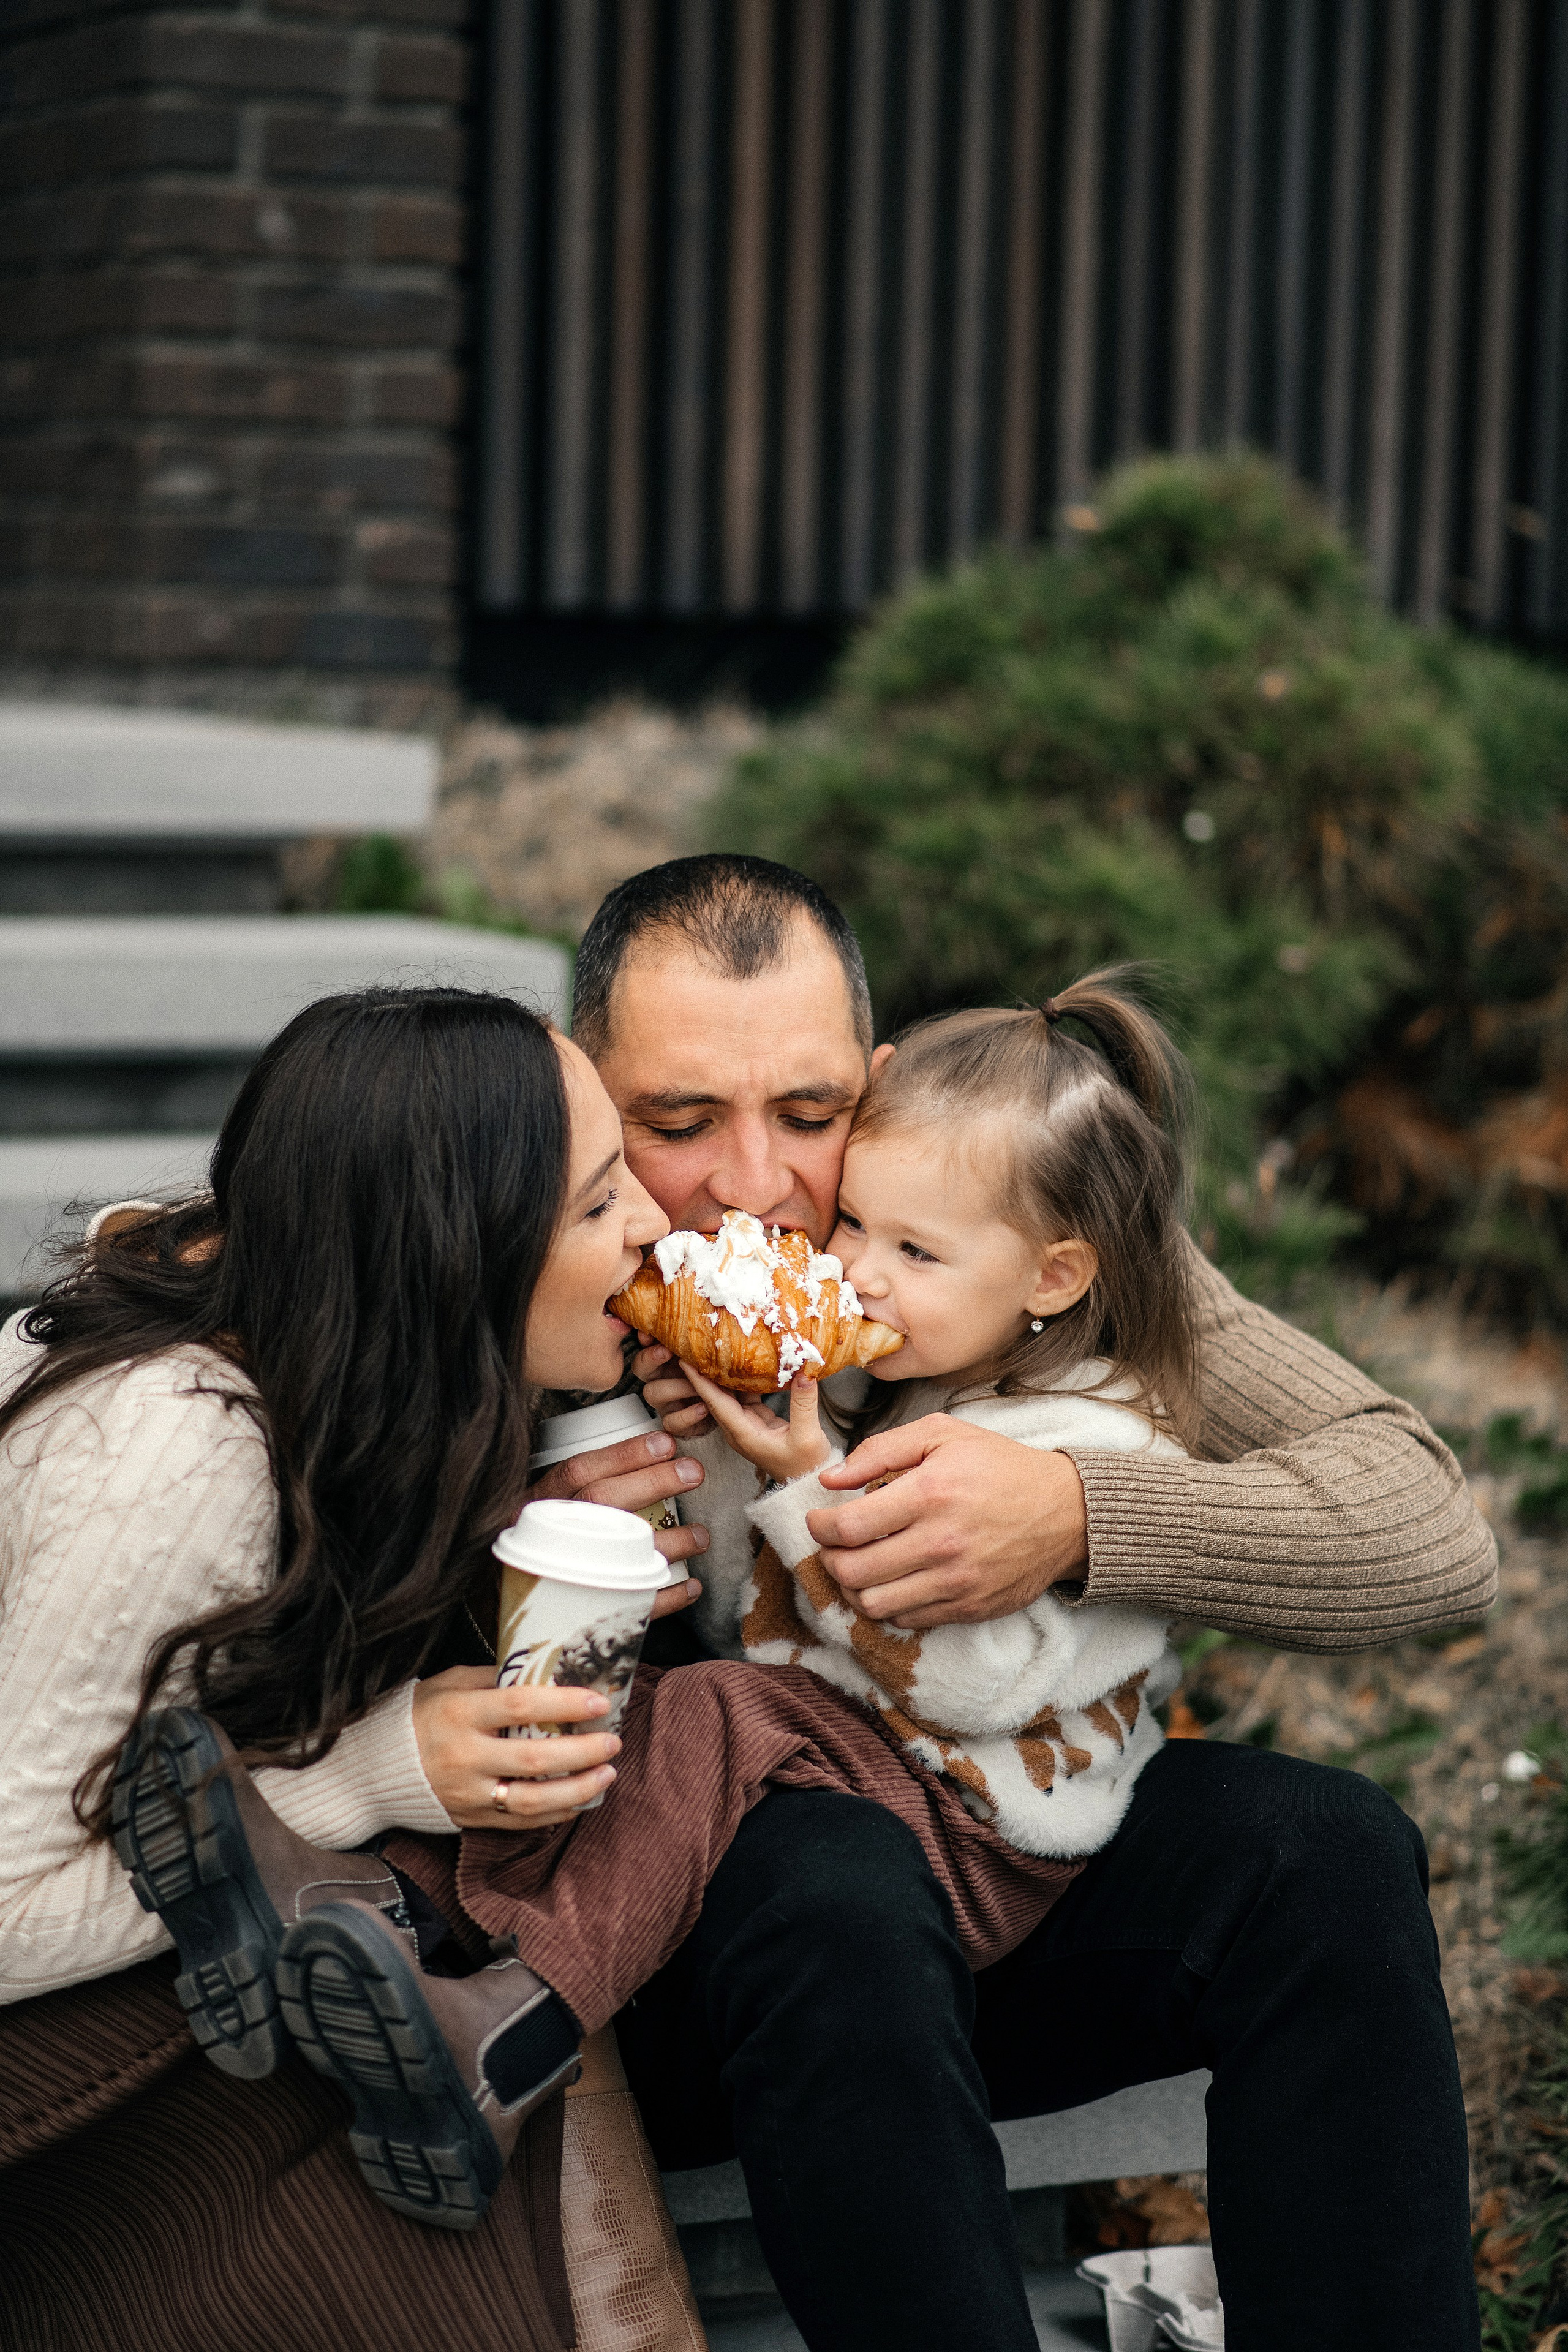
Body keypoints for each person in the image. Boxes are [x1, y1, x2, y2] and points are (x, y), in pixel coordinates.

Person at [543, 853, 1493, 2352]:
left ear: (876, 1083)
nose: (752, 1185)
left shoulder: (986, 1215)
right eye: (673, 1124)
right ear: (581, 1095)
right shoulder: (491, 1227)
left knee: (1327, 1853)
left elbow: (1426, 1525)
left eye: (808, 1115)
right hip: (673, 1955)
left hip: (984, 1854)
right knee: (830, 1879)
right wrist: (500, 1546)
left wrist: (1076, 1514)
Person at [0, 987, 707, 2350]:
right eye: (597, 1204)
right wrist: (367, 1776)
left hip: (179, 1981)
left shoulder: (360, 1386)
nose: (652, 1232)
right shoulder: (174, 1451)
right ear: (455, 1253)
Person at [683, 978, 1202, 1861]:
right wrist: (721, 1432)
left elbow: (970, 1687)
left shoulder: (1096, 1443)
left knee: (702, 1718)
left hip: (988, 1821)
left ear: (1051, 1278)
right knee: (689, 1714)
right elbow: (743, 1615)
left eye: (916, 1250)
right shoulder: (888, 1374)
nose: (859, 1270)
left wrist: (812, 1482)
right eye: (852, 1220)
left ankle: (531, 1983)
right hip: (853, 1779)